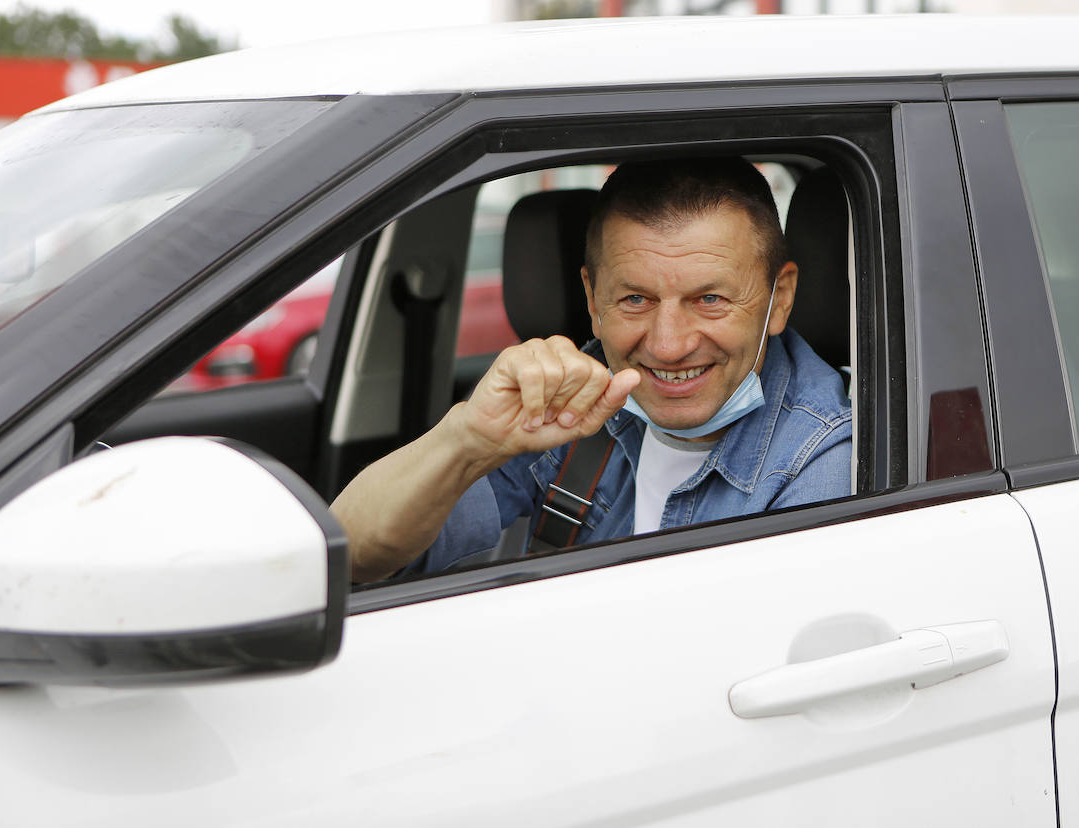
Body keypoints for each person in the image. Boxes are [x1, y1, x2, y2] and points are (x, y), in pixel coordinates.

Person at [333, 157, 852, 582]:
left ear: (778, 299)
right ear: (591, 297)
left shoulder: (824, 460)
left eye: (710, 298)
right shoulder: (570, 397)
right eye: (635, 299)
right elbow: (354, 556)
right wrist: (466, 439)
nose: (669, 345)